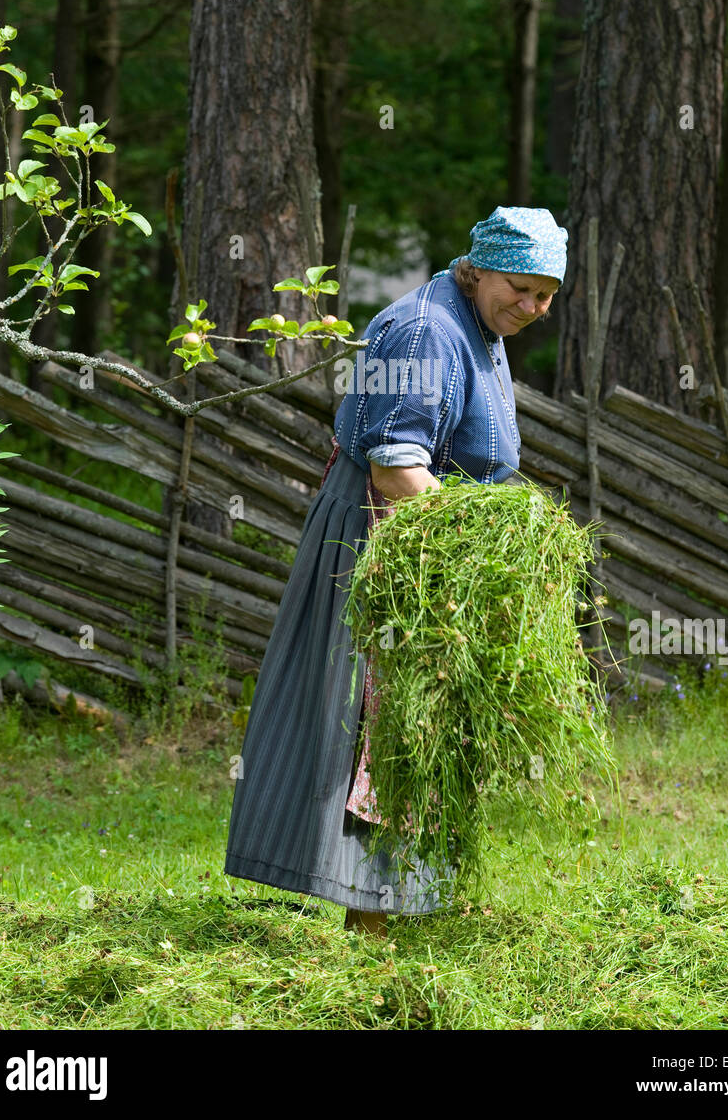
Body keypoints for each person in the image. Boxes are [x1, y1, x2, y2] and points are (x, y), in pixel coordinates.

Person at [224, 206, 568, 936]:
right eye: (520, 288)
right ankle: (368, 916)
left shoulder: (478, 322)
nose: (531, 308)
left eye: (545, 295)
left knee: (424, 720)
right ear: (478, 268)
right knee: (369, 722)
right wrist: (479, 546)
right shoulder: (422, 330)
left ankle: (400, 897)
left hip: (428, 538)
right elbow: (395, 466)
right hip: (380, 544)